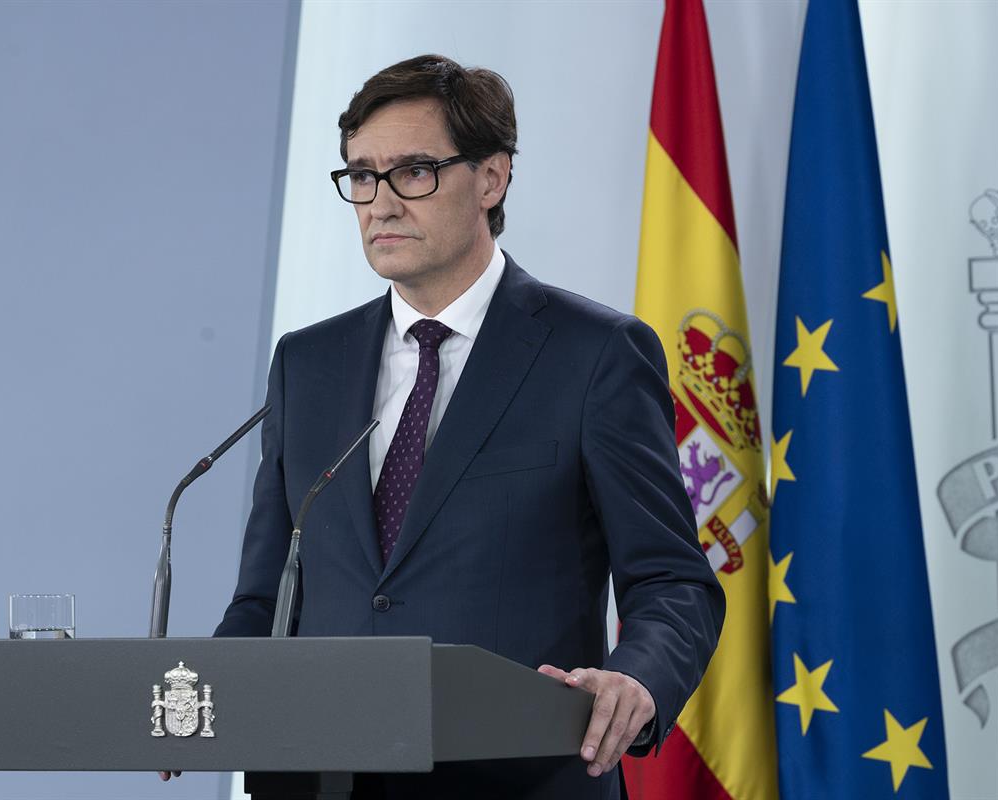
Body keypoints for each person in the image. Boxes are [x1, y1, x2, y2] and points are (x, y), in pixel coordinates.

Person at [205, 54, 724, 799]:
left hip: (517, 777)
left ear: (492, 178)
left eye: (413, 171)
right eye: (360, 176)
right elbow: (265, 600)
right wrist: (202, 704)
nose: (380, 204)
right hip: (318, 781)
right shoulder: (306, 364)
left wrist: (634, 678)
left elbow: (674, 581)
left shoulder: (596, 354)